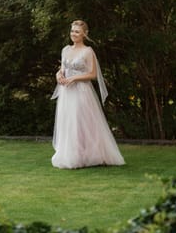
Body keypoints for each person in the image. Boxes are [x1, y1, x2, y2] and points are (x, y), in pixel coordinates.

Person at [51, 20, 125, 169]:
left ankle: (89, 154)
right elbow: (63, 69)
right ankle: (72, 155)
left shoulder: (88, 51)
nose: (73, 34)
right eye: (72, 31)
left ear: (84, 34)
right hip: (67, 92)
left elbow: (93, 74)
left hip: (82, 91)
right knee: (68, 123)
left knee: (81, 123)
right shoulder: (65, 49)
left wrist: (74, 78)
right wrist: (58, 75)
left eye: (77, 31)